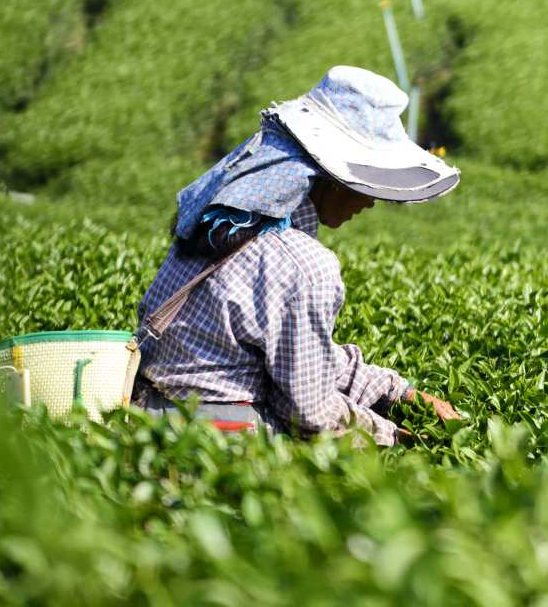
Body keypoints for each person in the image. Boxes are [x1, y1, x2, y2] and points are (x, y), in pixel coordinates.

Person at [132, 67, 464, 443]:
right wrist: (396, 438)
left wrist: (397, 392)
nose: (371, 201)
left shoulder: (220, 224)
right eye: (365, 185)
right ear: (329, 179)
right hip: (218, 437)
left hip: (147, 418)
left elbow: (307, 360)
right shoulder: (302, 264)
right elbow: (310, 412)